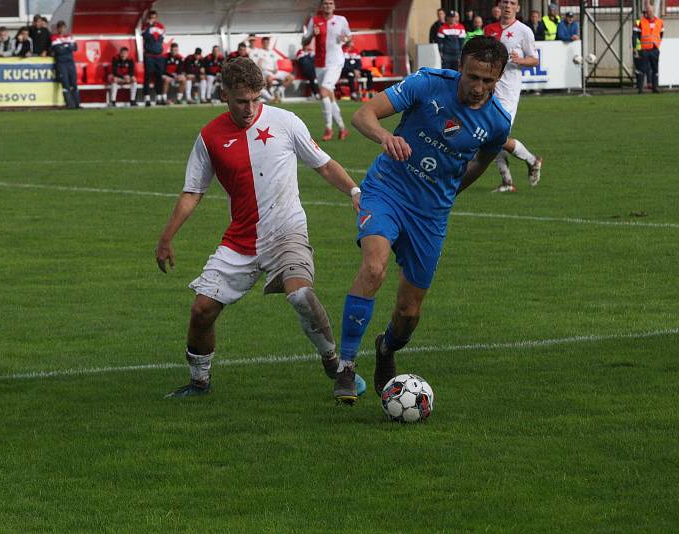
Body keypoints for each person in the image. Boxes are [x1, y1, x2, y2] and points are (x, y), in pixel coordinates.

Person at [157, 57, 363, 398]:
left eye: (256, 99)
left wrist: (355, 191)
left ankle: (335, 364)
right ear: (224, 95)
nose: (250, 108)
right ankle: (199, 383)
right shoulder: (209, 137)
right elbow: (193, 192)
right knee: (201, 310)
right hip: (241, 241)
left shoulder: (285, 122)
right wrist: (166, 238)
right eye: (241, 101)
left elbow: (323, 165)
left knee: (300, 294)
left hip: (287, 232)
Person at [331, 36, 512, 403]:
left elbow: (481, 162)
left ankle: (386, 349)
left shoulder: (497, 123)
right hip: (386, 190)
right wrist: (385, 136)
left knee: (408, 312)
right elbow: (362, 114)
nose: (478, 88)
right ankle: (346, 367)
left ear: (499, 79)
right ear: (460, 67)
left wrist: (449, 193)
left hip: (430, 214)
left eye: (488, 81)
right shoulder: (426, 82)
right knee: (374, 267)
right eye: (473, 77)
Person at [484, 0, 543, 193]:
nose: (508, 6)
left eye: (512, 3)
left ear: (517, 8)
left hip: (509, 93)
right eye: (505, 2)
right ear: (499, 6)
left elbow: (535, 59)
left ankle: (532, 160)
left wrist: (521, 60)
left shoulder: (524, 30)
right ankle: (507, 182)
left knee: (497, 137)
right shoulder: (489, 29)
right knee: (489, 138)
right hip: (488, 91)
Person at [302, 0, 352, 141]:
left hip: (335, 62)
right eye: (325, 3)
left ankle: (328, 128)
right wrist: (312, 35)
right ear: (321, 6)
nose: (328, 6)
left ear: (334, 6)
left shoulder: (341, 20)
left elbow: (349, 38)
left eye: (330, 3)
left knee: (323, 92)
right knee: (329, 97)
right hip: (319, 63)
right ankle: (342, 128)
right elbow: (304, 42)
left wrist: (346, 39)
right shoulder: (315, 20)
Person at [633, 3, 663, 95]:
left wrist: (657, 44)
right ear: (645, 12)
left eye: (651, 11)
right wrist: (636, 48)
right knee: (642, 69)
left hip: (654, 49)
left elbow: (661, 34)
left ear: (654, 11)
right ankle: (640, 89)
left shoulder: (660, 22)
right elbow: (635, 36)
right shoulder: (639, 22)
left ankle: (655, 87)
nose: (649, 13)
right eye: (647, 11)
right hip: (644, 49)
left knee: (655, 69)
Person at [51, 21, 79, 109]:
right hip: (62, 63)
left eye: (63, 27)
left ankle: (77, 104)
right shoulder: (54, 37)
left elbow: (75, 47)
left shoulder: (69, 36)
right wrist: (68, 46)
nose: (62, 29)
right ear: (58, 29)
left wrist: (64, 46)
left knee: (74, 83)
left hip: (70, 63)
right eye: (60, 28)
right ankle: (69, 105)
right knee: (65, 84)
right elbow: (58, 50)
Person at [256, 37, 293, 102]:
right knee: (270, 78)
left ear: (269, 43)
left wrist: (276, 69)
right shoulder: (260, 52)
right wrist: (269, 70)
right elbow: (259, 65)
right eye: (265, 42)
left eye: (267, 42)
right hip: (266, 71)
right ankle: (270, 92)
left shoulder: (272, 52)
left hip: (275, 71)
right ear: (262, 43)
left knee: (290, 77)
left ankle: (279, 90)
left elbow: (275, 63)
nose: (266, 44)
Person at [141, 10, 166, 106]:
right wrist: (149, 26)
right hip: (149, 55)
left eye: (154, 17)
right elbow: (145, 35)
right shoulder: (145, 26)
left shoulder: (160, 26)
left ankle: (159, 97)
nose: (153, 19)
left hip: (159, 55)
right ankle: (147, 98)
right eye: (151, 18)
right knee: (148, 75)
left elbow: (161, 38)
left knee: (159, 76)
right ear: (148, 18)